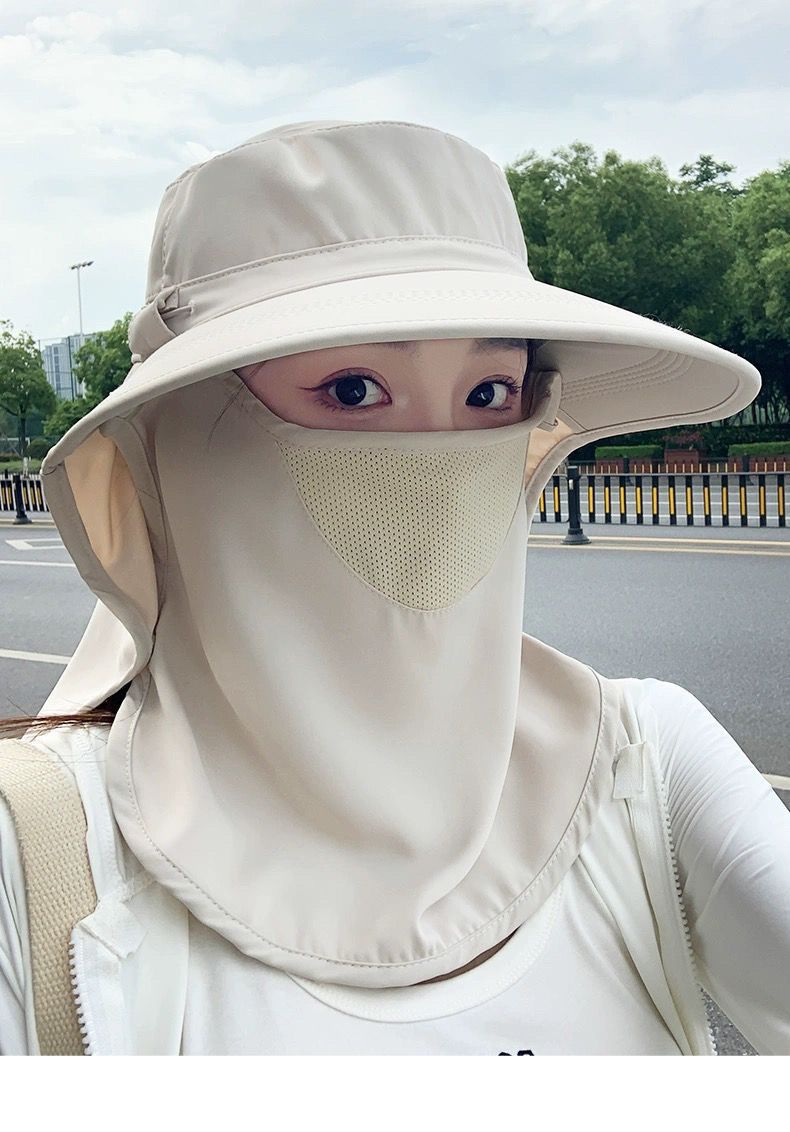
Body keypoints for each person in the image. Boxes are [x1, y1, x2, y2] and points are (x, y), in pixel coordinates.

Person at [0, 118, 788, 1056]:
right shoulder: (39, 855)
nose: (441, 463)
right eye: (352, 389)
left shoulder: (642, 763)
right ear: (181, 436)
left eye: (489, 393)